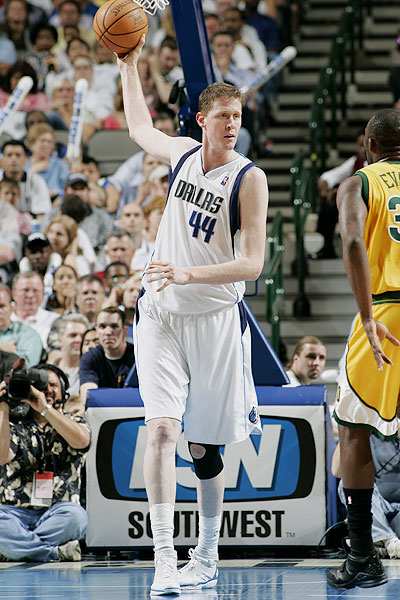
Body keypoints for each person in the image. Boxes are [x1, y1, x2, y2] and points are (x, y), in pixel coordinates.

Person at [118, 36, 268, 595]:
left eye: (238, 115)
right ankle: (163, 559)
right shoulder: (181, 152)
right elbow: (138, 129)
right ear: (202, 119)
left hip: (213, 319)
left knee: (204, 446)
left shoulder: (249, 178)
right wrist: (129, 67)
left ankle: (206, 551)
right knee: (160, 428)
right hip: (159, 314)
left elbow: (251, 264)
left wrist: (189, 273)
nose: (232, 123)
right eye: (223, 115)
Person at [326, 108, 400, 590]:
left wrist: (368, 316)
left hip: (387, 312)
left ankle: (361, 558)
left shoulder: (358, 183)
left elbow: (354, 241)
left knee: (352, 430)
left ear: (368, 147)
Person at [0, 363, 91, 562]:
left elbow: (82, 441)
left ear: (64, 391)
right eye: (40, 385)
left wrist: (45, 409)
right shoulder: (14, 425)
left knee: (77, 518)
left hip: (57, 512)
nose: (47, 390)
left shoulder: (74, 420)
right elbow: (1, 456)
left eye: (53, 385)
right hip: (13, 512)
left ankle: (13, 549)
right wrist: (3, 407)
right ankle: (55, 552)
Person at [332, 429, 400, 560]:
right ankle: (389, 542)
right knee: (347, 484)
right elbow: (337, 471)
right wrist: (347, 436)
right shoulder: (365, 435)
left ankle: (379, 543)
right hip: (378, 509)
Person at [311, 132, 367, 260]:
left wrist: (342, 191)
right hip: (355, 206)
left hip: (372, 206)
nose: (363, 149)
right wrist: (326, 189)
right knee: (327, 206)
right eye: (360, 145)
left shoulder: (379, 164)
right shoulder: (355, 161)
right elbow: (328, 177)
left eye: (365, 145)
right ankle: (328, 247)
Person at [79, 307, 135, 406]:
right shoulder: (90, 358)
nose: (108, 332)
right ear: (96, 331)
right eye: (102, 327)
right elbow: (88, 396)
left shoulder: (138, 356)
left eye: (114, 326)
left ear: (125, 331)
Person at [0, 139, 51, 218]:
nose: (13, 159)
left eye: (18, 155)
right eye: (9, 155)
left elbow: (42, 214)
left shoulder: (37, 181)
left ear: (25, 159)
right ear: (2, 159)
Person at [11, 271, 59, 351]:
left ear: (43, 294)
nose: (30, 295)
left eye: (36, 291)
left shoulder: (55, 321)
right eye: (25, 290)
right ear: (13, 294)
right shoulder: (3, 319)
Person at [0, 283, 42, 368]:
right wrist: (2, 351)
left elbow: (25, 366)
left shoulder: (28, 334)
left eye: (1, 306)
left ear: (12, 308)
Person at [51, 314, 89, 396]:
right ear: (60, 340)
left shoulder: (92, 372)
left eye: (82, 336)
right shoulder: (46, 370)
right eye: (73, 335)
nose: (78, 340)